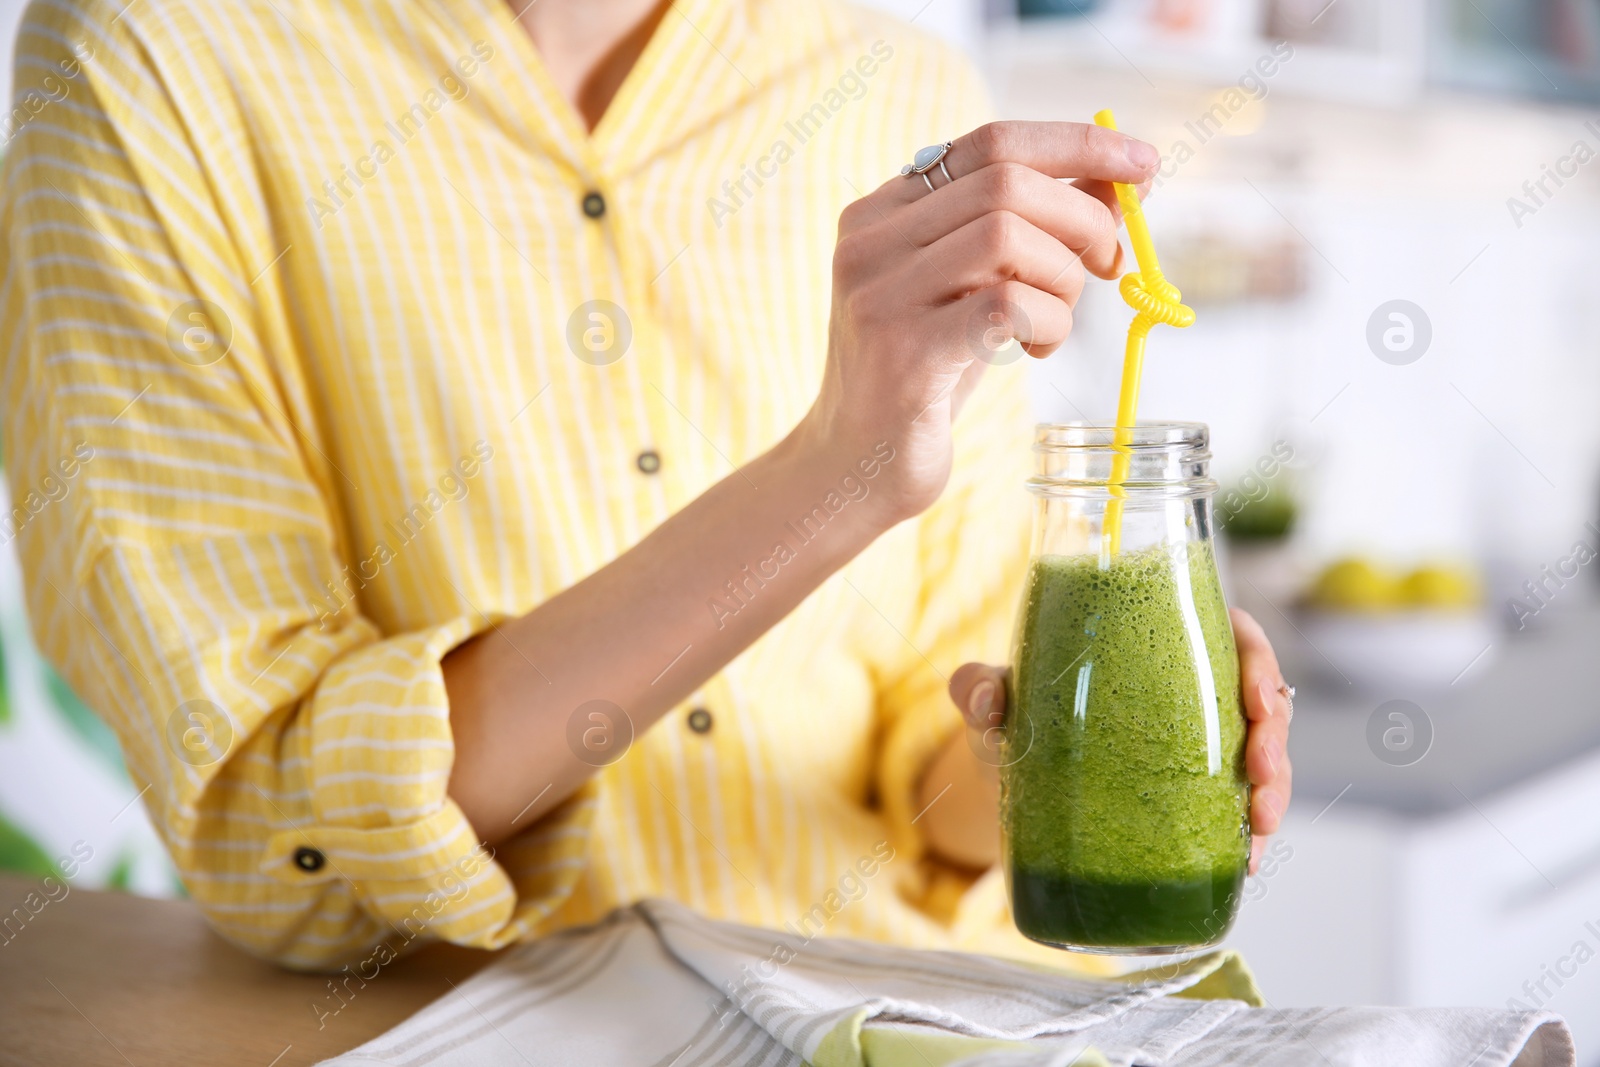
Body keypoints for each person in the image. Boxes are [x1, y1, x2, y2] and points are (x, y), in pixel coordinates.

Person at [0, 0, 1292, 970]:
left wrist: (1076, 752)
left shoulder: (896, 89)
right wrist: (839, 471)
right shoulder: (155, 61)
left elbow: (939, 779)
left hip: (910, 1019)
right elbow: (286, 843)